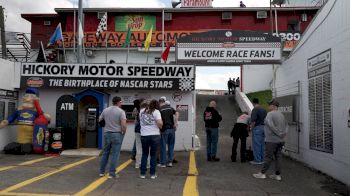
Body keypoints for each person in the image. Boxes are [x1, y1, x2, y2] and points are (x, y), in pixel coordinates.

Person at [253, 99, 288, 181]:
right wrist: (283, 134)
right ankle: (277, 175)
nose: (268, 106)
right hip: (281, 140)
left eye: (269, 105)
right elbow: (287, 125)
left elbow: (271, 126)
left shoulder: (270, 114)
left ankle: (262, 173)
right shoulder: (282, 114)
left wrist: (279, 133)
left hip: (271, 140)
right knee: (278, 157)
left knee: (268, 157)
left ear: (273, 106)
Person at [99, 96, 127, 179]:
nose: (121, 103)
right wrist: (123, 132)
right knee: (115, 154)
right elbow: (123, 124)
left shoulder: (105, 110)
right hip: (117, 134)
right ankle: (112, 173)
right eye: (121, 102)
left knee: (105, 153)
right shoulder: (121, 111)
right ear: (119, 102)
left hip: (107, 133)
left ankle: (101, 171)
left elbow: (99, 120)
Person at [139, 99, 163, 179]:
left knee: (144, 154)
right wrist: (160, 125)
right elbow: (159, 123)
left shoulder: (141, 111)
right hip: (154, 136)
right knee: (153, 155)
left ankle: (142, 174)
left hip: (144, 135)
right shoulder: (156, 112)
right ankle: (152, 174)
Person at [158, 97, 179, 167]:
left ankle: (163, 163)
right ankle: (170, 162)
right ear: (164, 101)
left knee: (163, 146)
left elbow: (159, 122)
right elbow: (177, 113)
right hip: (172, 130)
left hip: (164, 130)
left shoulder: (159, 110)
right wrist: (175, 123)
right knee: (171, 146)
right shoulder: (170, 108)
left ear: (159, 103)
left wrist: (160, 129)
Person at [250, 98, 267, 165]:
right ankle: (262, 159)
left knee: (256, 145)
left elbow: (253, 121)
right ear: (258, 102)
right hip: (264, 127)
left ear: (253, 103)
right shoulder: (264, 110)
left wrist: (251, 128)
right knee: (262, 145)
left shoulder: (255, 109)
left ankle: (257, 160)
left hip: (257, 128)